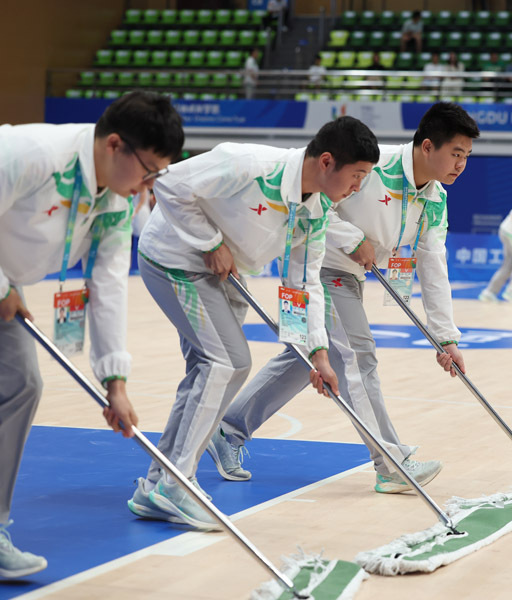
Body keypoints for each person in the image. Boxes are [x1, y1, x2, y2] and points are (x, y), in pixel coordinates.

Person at [207, 103, 480, 494]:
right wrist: (353, 239)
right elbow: (313, 202)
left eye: (467, 157)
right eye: (456, 154)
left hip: (350, 277)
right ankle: (391, 463)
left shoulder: (435, 199)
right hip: (314, 266)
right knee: (356, 353)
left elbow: (433, 265)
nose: (461, 165)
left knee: (308, 359)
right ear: (426, 147)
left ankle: (228, 431)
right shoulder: (372, 165)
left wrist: (446, 337)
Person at [130, 117, 379, 529]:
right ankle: (176, 486)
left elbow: (302, 285)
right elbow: (169, 184)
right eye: (356, 176)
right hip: (173, 258)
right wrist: (209, 243)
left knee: (207, 372)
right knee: (227, 362)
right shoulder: (246, 164)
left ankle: (157, 485)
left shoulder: (315, 211)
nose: (357, 187)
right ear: (327, 161)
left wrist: (317, 353)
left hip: (220, 275)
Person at [0, 91, 182, 578]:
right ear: (115, 145)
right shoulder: (30, 154)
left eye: (156, 176)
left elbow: (107, 287)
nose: (147, 187)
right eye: (147, 171)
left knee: (21, 383)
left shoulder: (117, 201)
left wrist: (115, 383)